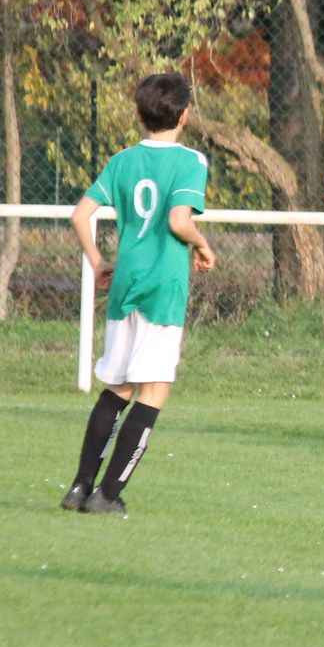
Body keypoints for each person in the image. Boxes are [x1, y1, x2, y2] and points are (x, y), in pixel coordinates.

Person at [61, 73, 216, 516]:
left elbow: (81, 215)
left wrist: (97, 261)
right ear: (184, 116)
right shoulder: (190, 161)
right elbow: (179, 221)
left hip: (125, 280)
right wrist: (203, 245)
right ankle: (108, 494)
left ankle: (80, 488)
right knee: (154, 389)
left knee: (119, 385)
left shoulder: (123, 161)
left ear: (138, 115)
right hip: (162, 285)